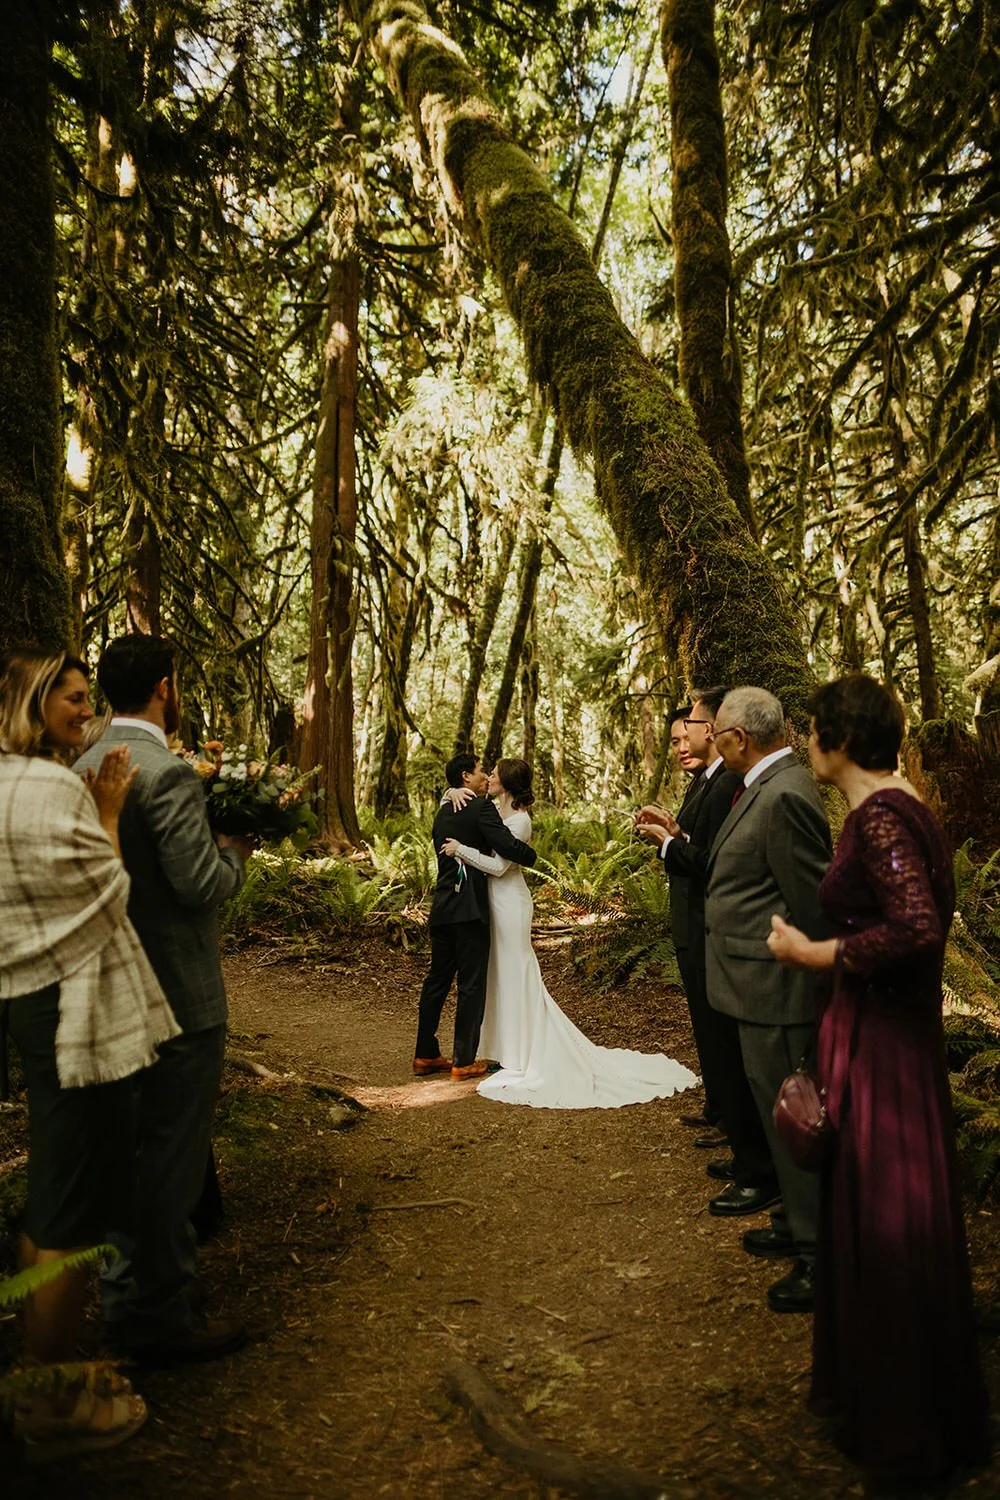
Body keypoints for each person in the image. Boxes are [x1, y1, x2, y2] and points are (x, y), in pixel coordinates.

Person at [767, 674, 990, 1485]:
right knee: (889, 1219)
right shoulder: (903, 806)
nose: (809, 742)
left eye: (815, 729)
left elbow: (920, 927)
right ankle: (902, 1402)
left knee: (889, 1224)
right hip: (889, 1037)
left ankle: (905, 1426)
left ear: (839, 740)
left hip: (885, 1052)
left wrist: (813, 953)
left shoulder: (884, 816)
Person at [0, 649, 179, 1459]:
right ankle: (49, 1398)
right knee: (72, 1212)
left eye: (86, 698)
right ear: (36, 706)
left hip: (27, 1003)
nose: (86, 711)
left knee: (50, 1195)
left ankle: (43, 1373)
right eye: (70, 700)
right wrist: (106, 811)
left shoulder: (8, 781)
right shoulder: (47, 789)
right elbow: (106, 890)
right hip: (78, 1011)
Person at [74, 635, 250, 1364]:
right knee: (172, 1155)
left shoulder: (80, 763)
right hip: (177, 993)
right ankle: (159, 1317)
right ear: (166, 689)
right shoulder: (166, 773)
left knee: (126, 1152)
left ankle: (129, 1294)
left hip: (106, 990)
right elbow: (200, 884)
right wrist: (237, 848)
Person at [442, 758, 698, 1108]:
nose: (489, 776)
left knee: (517, 971)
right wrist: (452, 790)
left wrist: (462, 851)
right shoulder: (491, 811)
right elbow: (461, 803)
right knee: (497, 974)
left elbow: (500, 868)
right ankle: (502, 1048)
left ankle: (522, 1051)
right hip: (491, 904)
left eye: (495, 773)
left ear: (508, 783)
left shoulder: (519, 821)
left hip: (510, 902)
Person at [703, 687, 831, 1312]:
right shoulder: (760, 785)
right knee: (774, 1118)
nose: (713, 742)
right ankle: (794, 1223)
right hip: (751, 987)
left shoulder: (785, 794)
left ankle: (818, 1255)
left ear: (739, 739)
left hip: (780, 992)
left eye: (718, 732)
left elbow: (810, 906)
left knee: (795, 1122)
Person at [637, 688, 780, 1208]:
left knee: (728, 1046)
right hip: (701, 928)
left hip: (715, 931)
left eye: (696, 726)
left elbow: (716, 866)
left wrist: (672, 844)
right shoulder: (714, 783)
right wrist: (675, 833)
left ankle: (754, 1160)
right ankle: (743, 1147)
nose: (692, 737)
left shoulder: (738, 789)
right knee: (716, 1042)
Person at [415, 752, 539, 1080]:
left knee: (437, 981)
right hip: (471, 909)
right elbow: (507, 851)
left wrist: (448, 792)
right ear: (466, 777)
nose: (486, 775)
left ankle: (424, 1055)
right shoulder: (483, 808)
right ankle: (462, 1060)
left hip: (442, 907)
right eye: (482, 771)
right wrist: (531, 854)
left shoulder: (443, 811)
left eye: (492, 772)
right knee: (471, 985)